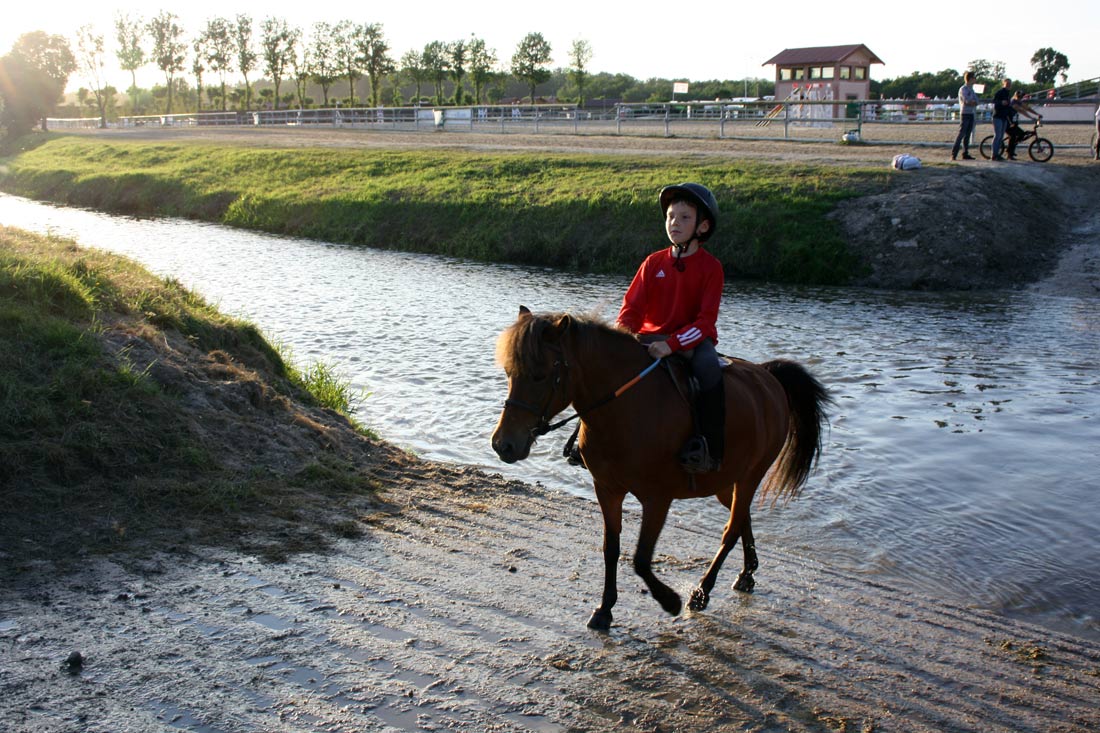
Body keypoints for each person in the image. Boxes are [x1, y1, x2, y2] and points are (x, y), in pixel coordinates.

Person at [617, 183, 725, 473]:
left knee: (709, 370)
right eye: (670, 216)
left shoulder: (711, 268)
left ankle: (708, 447)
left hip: (691, 341)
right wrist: (620, 338)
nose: (674, 222)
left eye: (684, 217)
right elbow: (631, 310)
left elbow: (705, 322)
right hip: (648, 336)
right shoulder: (653, 263)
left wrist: (672, 344)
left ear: (702, 227)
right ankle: (583, 440)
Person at [1006, 91, 1042, 159]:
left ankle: (1011, 149)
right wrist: (1031, 118)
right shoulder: (1013, 102)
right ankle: (1009, 153)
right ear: (1016, 96)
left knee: (1021, 134)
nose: (1020, 98)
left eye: (1021, 97)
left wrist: (1037, 114)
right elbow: (1022, 110)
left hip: (1013, 123)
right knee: (1013, 136)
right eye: (1019, 97)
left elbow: (1027, 108)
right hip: (1008, 123)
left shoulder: (1018, 102)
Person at [951, 71, 979, 161]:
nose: (975, 79)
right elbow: (967, 101)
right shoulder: (963, 89)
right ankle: (954, 153)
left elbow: (976, 101)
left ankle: (965, 153)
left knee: (968, 134)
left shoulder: (972, 89)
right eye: (974, 78)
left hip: (971, 113)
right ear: (970, 79)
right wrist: (972, 102)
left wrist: (973, 102)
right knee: (961, 133)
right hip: (965, 113)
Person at [991, 78, 1014, 161]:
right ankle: (994, 154)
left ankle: (997, 154)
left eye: (1009, 84)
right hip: (997, 116)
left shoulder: (1008, 94)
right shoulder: (1000, 92)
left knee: (1000, 136)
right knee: (997, 136)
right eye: (1007, 84)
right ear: (1003, 84)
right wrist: (1001, 102)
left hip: (1004, 117)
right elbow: (994, 101)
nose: (1008, 85)